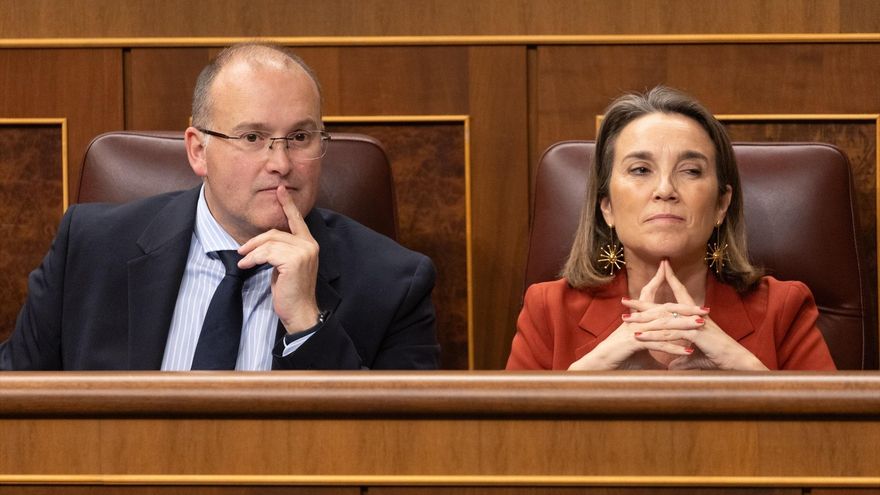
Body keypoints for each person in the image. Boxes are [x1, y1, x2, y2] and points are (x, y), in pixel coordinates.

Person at [1, 43, 440, 371]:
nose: (281, 163)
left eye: (301, 137)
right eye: (252, 138)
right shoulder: (90, 249)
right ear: (198, 151)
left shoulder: (395, 283)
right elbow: (16, 407)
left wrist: (308, 325)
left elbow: (398, 453)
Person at [507, 86, 835, 371]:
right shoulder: (548, 310)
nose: (665, 189)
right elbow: (509, 441)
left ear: (721, 205)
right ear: (607, 207)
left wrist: (744, 368)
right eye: (640, 169)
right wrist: (588, 374)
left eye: (691, 171)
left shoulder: (783, 309)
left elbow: (834, 439)